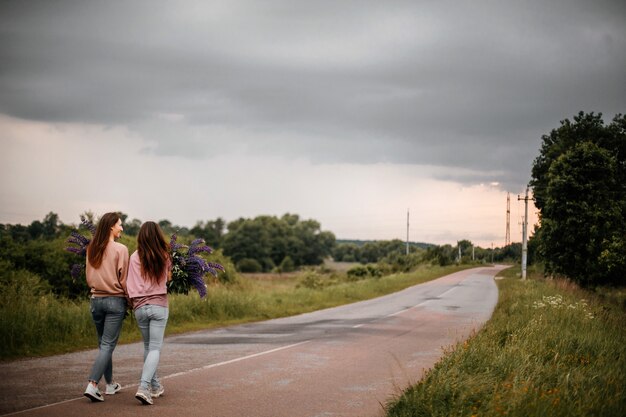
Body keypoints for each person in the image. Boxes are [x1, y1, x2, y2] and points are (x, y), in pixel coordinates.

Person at [83, 212, 129, 402]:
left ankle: (109, 385)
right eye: (120, 224)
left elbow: (88, 277)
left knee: (104, 344)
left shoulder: (91, 248)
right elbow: (124, 279)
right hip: (115, 301)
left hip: (96, 300)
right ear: (111, 226)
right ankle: (93, 384)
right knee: (108, 345)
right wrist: (130, 299)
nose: (122, 228)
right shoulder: (121, 249)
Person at [126, 221, 172, 405]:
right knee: (154, 348)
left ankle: (155, 385)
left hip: (139, 307)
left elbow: (128, 282)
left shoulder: (134, 257)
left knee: (148, 347)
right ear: (157, 236)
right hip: (158, 305)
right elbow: (169, 280)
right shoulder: (164, 255)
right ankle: (143, 387)